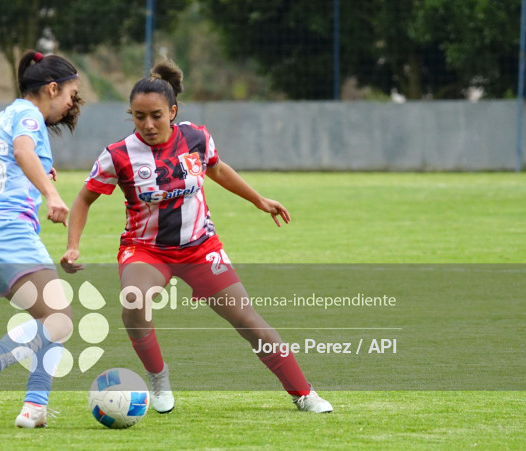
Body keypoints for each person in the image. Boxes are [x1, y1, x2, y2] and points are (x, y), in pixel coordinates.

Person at [60, 60, 332, 414]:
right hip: (146, 250)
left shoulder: (196, 137)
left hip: (201, 248)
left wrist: (258, 199)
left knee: (248, 321)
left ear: (172, 111)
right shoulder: (119, 155)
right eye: (139, 117)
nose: (148, 125)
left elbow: (217, 168)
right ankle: (158, 377)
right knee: (134, 303)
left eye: (156, 115)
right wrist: (72, 245)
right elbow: (84, 198)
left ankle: (303, 393)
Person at [0, 50, 83, 428]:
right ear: (52, 88)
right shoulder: (30, 116)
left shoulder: (5, 115)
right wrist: (51, 193)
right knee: (59, 317)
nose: (71, 104)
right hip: (6, 230)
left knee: (50, 319)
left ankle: (34, 408)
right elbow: (22, 151)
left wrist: (38, 171)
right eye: (70, 96)